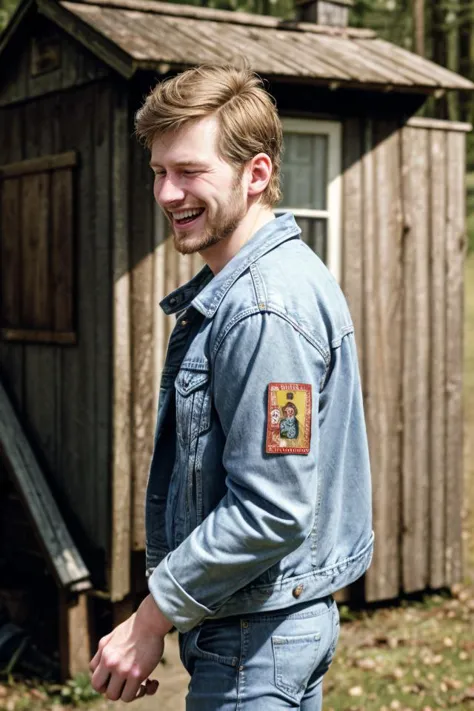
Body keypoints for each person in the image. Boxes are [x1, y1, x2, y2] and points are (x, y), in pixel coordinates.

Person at [89, 64, 373, 710]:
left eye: (189, 171)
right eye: (159, 171)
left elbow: (272, 507)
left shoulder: (263, 310)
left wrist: (149, 618)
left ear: (258, 174)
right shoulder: (279, 278)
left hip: (254, 643)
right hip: (270, 630)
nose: (167, 192)